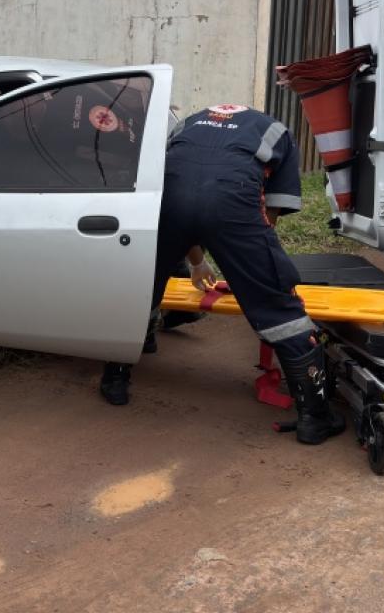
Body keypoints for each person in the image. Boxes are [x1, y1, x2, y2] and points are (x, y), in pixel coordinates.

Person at [98, 104, 345, 446]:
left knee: (143, 285)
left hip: (168, 199)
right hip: (232, 199)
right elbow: (270, 213)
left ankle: (115, 379)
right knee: (279, 307)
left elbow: (185, 197)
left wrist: (197, 261)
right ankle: (315, 417)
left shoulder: (188, 123)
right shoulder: (277, 131)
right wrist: (250, 263)